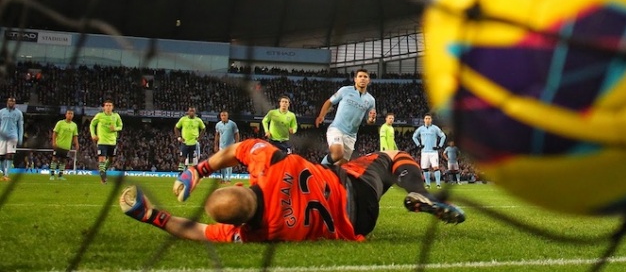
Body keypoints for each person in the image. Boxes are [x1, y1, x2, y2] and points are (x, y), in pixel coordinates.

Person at [119, 138, 465, 242]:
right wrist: (198, 170)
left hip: (356, 224)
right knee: (392, 156)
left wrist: (152, 215)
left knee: (331, 167)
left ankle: (331, 163)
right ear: (241, 182)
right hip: (349, 188)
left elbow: (198, 230)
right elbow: (237, 149)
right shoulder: (269, 165)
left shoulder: (261, 234)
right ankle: (423, 192)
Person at [314, 69, 376, 165]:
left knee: (339, 166)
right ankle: (318, 170)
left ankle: (326, 177)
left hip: (351, 136)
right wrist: (321, 116)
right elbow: (329, 102)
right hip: (336, 129)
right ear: (355, 79)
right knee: (338, 153)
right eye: (360, 76)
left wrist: (371, 120)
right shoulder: (345, 90)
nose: (362, 79)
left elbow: (369, 120)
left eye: (365, 77)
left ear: (369, 80)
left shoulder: (371, 100)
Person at [90, 99, 122, 184]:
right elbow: (92, 124)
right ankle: (103, 177)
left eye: (110, 105)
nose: (108, 107)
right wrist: (93, 135)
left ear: (113, 107)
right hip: (102, 141)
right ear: (104, 107)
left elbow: (120, 126)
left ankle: (103, 171)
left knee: (111, 160)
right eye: (106, 105)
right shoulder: (99, 115)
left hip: (112, 142)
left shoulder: (116, 116)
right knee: (102, 159)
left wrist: (115, 129)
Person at [412, 114, 446, 189]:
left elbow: (443, 136)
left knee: (436, 167)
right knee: (425, 168)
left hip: (433, 152)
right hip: (424, 152)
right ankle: (428, 184)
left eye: (429, 118)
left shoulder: (435, 128)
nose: (427, 120)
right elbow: (414, 137)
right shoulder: (420, 129)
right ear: (424, 120)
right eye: (426, 118)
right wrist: (418, 145)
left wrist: (439, 146)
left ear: (431, 120)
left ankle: (438, 184)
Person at [50, 110, 79, 180]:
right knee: (54, 159)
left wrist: (77, 144)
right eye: (69, 113)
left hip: (67, 147)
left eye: (71, 114)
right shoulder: (60, 123)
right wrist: (54, 142)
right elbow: (55, 133)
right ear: (66, 115)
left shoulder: (74, 125)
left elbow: (75, 136)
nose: (70, 115)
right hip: (58, 145)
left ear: (73, 115)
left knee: (63, 161)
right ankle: (52, 175)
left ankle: (60, 175)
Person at [174, 107, 206, 172]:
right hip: (185, 142)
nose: (191, 112)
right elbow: (176, 128)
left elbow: (203, 128)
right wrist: (179, 137)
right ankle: (181, 172)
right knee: (183, 158)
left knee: (192, 159)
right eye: (190, 111)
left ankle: (190, 172)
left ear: (195, 112)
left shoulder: (198, 120)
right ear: (188, 112)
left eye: (193, 111)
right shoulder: (183, 119)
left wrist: (199, 137)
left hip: (194, 143)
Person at [0, 97, 24, 181]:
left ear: (15, 103)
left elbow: (20, 126)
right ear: (7, 102)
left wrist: (20, 138)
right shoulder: (1, 112)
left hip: (13, 136)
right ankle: (4, 173)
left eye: (13, 102)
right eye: (10, 101)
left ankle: (6, 175)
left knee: (10, 155)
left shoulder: (19, 113)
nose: (11, 103)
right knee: (1, 156)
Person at [214, 110, 240, 183]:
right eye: (222, 116)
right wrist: (216, 145)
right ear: (220, 116)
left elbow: (237, 134)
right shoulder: (218, 125)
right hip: (221, 146)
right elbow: (217, 135)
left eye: (225, 115)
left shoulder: (232, 124)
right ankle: (223, 178)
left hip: (230, 146)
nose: (223, 117)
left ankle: (228, 178)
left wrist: (237, 144)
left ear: (227, 116)